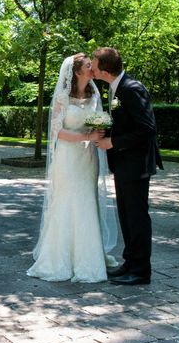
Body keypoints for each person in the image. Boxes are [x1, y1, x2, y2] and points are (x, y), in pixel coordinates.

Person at [27, 53, 118, 283]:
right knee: (67, 202)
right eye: (89, 65)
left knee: (87, 201)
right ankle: (60, 257)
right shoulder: (62, 97)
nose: (93, 67)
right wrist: (86, 135)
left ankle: (88, 257)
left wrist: (100, 130)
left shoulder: (94, 93)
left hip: (88, 158)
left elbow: (99, 119)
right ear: (78, 72)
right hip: (68, 158)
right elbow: (57, 131)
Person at [92, 47, 162, 286]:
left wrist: (113, 142)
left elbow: (147, 129)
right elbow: (125, 123)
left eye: (93, 62)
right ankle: (130, 263)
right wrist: (106, 131)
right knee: (126, 215)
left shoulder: (132, 89)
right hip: (124, 164)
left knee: (137, 217)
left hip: (136, 164)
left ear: (103, 68)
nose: (91, 66)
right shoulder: (116, 88)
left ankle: (141, 271)